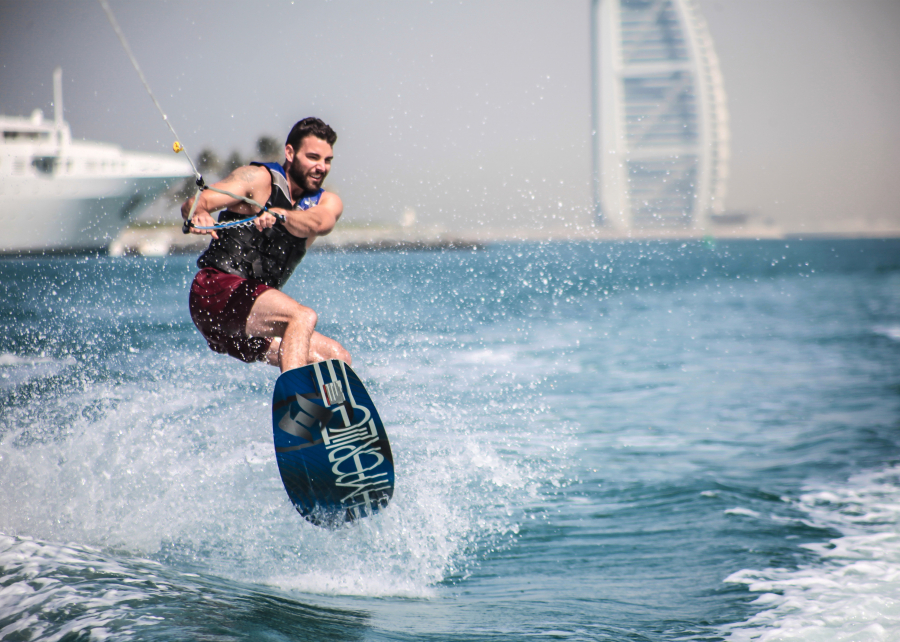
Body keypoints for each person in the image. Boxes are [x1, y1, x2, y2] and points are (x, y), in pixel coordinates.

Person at [181, 117, 350, 372]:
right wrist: (197, 213)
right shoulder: (258, 179)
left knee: (336, 358)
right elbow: (197, 202)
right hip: (215, 294)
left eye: (327, 161)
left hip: (249, 322)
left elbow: (320, 222)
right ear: (290, 152)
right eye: (313, 157)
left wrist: (284, 216)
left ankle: (320, 411)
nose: (321, 167)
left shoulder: (326, 202)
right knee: (301, 316)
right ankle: (296, 396)